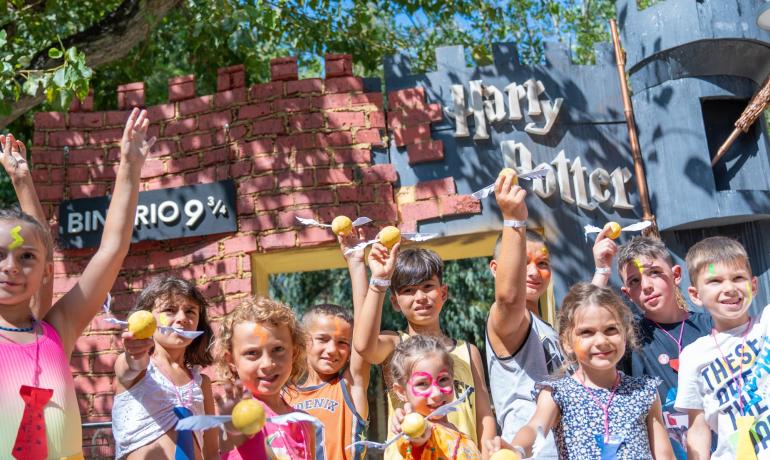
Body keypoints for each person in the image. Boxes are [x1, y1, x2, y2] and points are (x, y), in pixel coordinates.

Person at [0, 108, 151, 458]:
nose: (11, 268)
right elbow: (37, 244)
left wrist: (129, 166)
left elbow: (112, 250)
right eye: (0, 254)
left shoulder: (56, 331)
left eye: (26, 259)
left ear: (45, 272)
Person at [494, 283, 674, 459]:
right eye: (587, 332)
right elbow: (535, 428)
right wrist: (516, 449)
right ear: (567, 342)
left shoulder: (645, 391)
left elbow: (663, 454)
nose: (601, 341)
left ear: (625, 334)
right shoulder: (558, 393)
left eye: (611, 330)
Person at [352, 238, 495, 458]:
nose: (420, 297)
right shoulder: (396, 345)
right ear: (395, 302)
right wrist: (379, 280)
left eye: (428, 287)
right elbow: (363, 345)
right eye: (409, 290)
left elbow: (484, 416)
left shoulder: (468, 351)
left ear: (443, 293)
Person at [591, 233, 712, 456]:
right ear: (627, 294)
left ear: (676, 275)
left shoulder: (710, 326)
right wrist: (602, 271)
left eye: (654, 273)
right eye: (634, 281)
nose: (646, 286)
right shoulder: (632, 336)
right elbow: (588, 322)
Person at [484, 171, 565, 457]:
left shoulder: (548, 329)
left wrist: (602, 271)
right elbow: (509, 298)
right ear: (497, 269)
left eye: (542, 263)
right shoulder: (503, 321)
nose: (533, 271)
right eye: (524, 261)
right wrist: (514, 220)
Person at [676, 236, 770, 459]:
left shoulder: (766, 323)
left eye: (738, 278)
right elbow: (698, 429)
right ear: (696, 295)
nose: (729, 288)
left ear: (754, 286)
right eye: (715, 281)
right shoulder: (692, 356)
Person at [286, 232, 372, 460]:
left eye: (343, 342)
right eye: (322, 339)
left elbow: (366, 323)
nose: (333, 349)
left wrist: (356, 263)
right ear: (303, 341)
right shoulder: (284, 397)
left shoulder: (351, 386)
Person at [111, 276, 217, 459]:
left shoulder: (201, 383)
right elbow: (129, 367)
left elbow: (212, 452)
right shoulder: (139, 368)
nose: (182, 318)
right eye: (170, 310)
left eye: (190, 311)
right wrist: (134, 354)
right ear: (148, 318)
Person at [215, 296, 322, 460]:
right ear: (231, 360)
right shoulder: (235, 416)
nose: (267, 364)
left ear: (294, 353)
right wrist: (234, 430)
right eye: (252, 353)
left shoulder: (304, 423)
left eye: (278, 349)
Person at [389, 335, 481, 459]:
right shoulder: (423, 434)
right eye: (422, 384)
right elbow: (416, 448)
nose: (437, 393)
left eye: (443, 379)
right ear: (401, 391)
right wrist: (416, 437)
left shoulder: (456, 433)